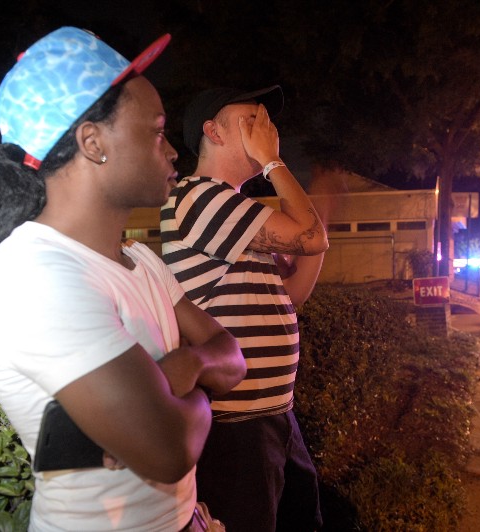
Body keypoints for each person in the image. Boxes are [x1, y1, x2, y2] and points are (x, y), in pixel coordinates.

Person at [0, 27, 246, 530]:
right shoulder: (32, 275)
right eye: (156, 132)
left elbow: (232, 358)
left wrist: (186, 365)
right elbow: (169, 447)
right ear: (93, 143)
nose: (172, 152)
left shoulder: (141, 261)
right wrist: (188, 388)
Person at [161, 85, 329, 532]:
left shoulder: (235, 211)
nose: (266, 130)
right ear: (213, 132)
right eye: (252, 121)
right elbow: (311, 237)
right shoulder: (199, 198)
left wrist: (317, 230)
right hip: (236, 428)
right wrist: (274, 163)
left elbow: (293, 292)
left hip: (273, 415)